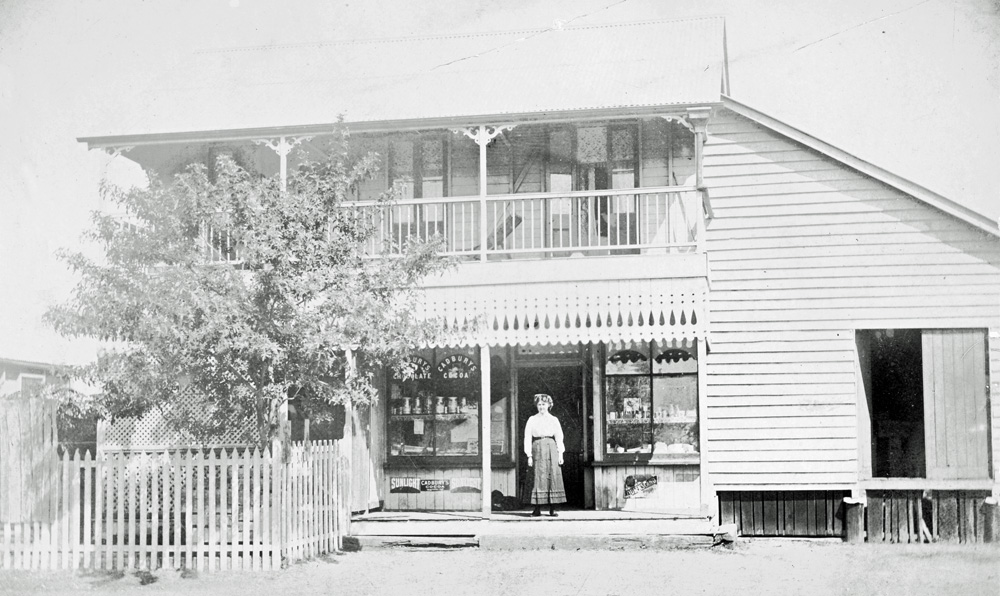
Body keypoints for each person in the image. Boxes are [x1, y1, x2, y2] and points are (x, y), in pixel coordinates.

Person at [523, 393, 566, 517]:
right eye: (539, 404)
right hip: (537, 448)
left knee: (552, 476)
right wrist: (529, 455)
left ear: (549, 405)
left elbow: (559, 437)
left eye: (544, 404)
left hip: (551, 448)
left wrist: (561, 454)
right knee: (538, 477)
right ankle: (537, 509)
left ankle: (553, 509)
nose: (541, 407)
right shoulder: (532, 419)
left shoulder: (554, 420)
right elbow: (527, 437)